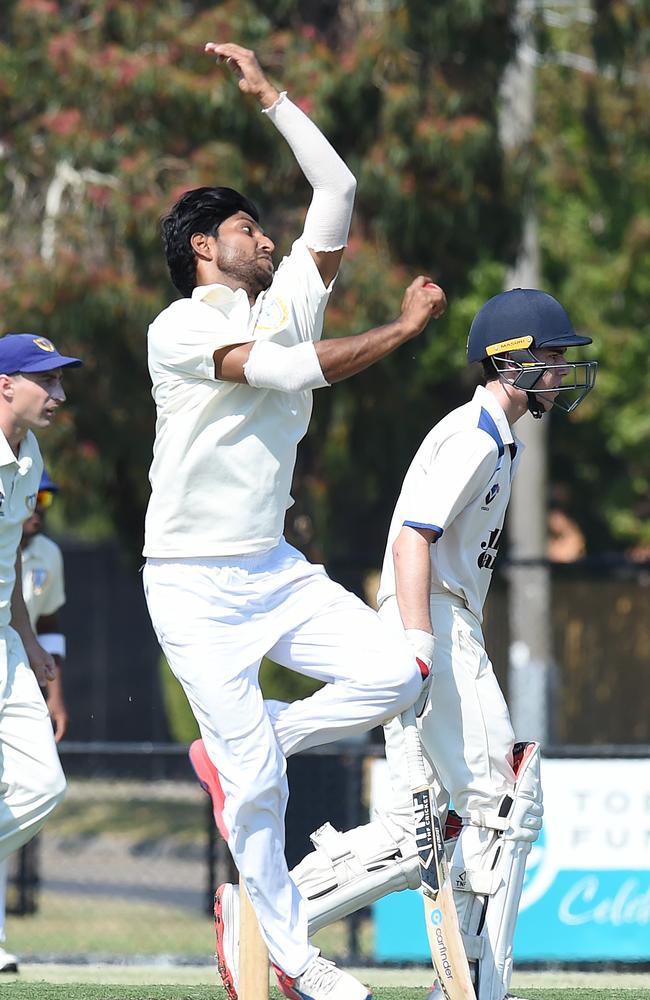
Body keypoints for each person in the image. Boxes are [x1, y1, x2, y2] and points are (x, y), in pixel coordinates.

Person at [142, 40, 446, 1000]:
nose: (263, 237)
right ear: (204, 247)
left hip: (272, 569)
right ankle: (296, 958)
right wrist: (397, 333)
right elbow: (272, 371)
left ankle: (254, 741)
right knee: (261, 797)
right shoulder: (184, 325)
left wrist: (272, 98)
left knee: (401, 672)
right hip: (191, 583)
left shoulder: (293, 298)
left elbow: (339, 186)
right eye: (243, 227)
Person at [213, 289, 598, 1000]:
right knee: (503, 802)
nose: (559, 368)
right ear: (510, 363)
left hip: (429, 619)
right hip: (435, 621)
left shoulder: (491, 434)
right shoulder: (475, 435)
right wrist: (419, 647)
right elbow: (411, 537)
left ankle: (266, 923)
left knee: (413, 834)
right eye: (549, 355)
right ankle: (479, 989)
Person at [0, 335, 81, 874]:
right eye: (45, 380)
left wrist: (28, 640)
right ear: (5, 386)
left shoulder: (29, 455)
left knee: (42, 784)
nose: (60, 393)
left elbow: (7, 563)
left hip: (5, 640)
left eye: (59, 379)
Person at [0, 469, 69, 972]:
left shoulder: (48, 554)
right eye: (35, 494)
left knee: (32, 795)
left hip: (16, 664)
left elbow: (50, 626)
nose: (38, 504)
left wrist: (56, 696)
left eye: (46, 495)